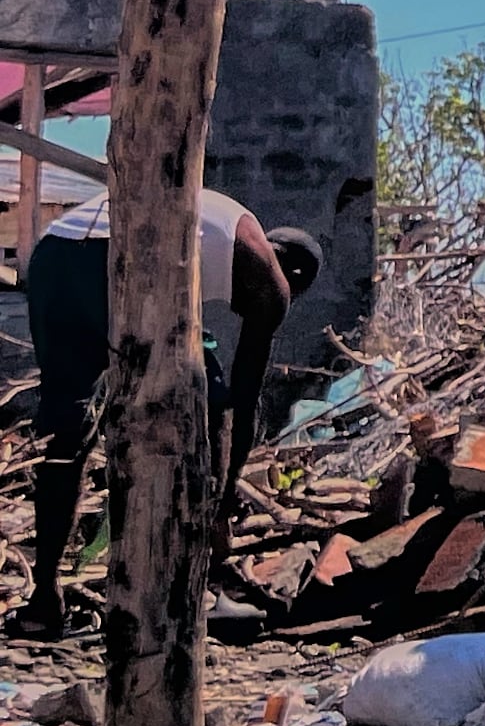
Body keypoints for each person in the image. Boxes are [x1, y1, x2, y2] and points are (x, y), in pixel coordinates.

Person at [9, 183, 323, 639]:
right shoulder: (272, 281)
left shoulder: (223, 221)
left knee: (67, 430)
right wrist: (223, 500)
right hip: (125, 258)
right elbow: (244, 398)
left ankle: (43, 600)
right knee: (211, 399)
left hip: (56, 252)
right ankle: (197, 590)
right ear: (293, 273)